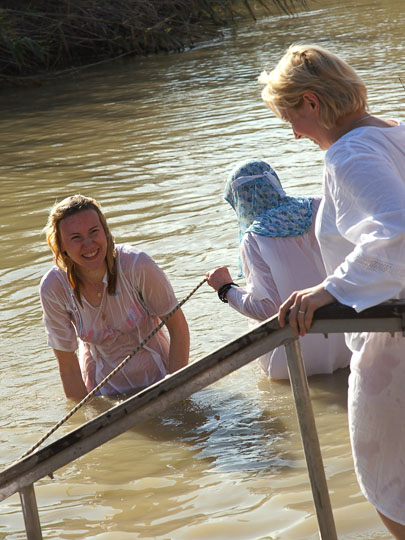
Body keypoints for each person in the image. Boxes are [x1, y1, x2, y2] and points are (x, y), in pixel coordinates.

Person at [260, 43, 405, 538]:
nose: (296, 133)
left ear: (311, 103)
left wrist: (330, 288)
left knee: (388, 482)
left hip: (393, 342)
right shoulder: (397, 134)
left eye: (290, 119)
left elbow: (398, 229)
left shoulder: (350, 151)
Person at [205, 158, 350, 379]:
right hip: (351, 337)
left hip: (296, 359)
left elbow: (269, 309)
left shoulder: (254, 238)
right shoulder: (319, 206)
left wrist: (226, 288)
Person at [40, 194, 189, 400]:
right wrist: (87, 420)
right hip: (103, 393)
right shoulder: (53, 287)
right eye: (76, 238)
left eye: (94, 232)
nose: (89, 244)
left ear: (106, 233)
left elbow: (179, 329)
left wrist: (176, 393)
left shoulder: (137, 265)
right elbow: (68, 366)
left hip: (160, 378)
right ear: (61, 245)